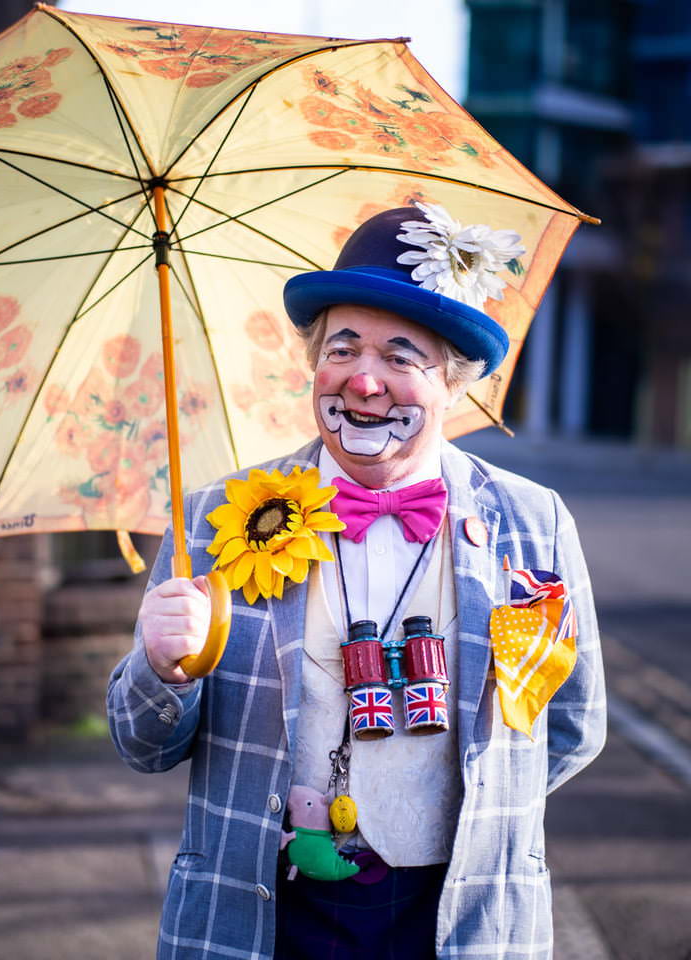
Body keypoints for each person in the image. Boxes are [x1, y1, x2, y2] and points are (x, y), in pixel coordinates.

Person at [107, 204, 606, 960]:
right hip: (262, 912)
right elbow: (141, 743)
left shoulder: (532, 523)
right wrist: (160, 669)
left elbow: (568, 724)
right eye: (343, 348)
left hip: (460, 916)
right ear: (314, 363)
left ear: (453, 382)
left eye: (401, 357)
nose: (364, 381)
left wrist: (471, 820)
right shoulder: (218, 514)